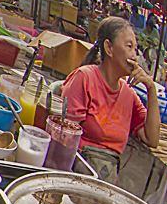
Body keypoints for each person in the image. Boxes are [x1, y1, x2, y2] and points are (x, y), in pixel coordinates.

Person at [60, 16, 161, 183]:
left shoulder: (130, 95)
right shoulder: (85, 78)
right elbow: (65, 137)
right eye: (129, 47)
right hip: (77, 175)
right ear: (109, 47)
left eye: (136, 49)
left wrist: (151, 88)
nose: (135, 56)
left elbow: (153, 138)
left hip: (107, 179)